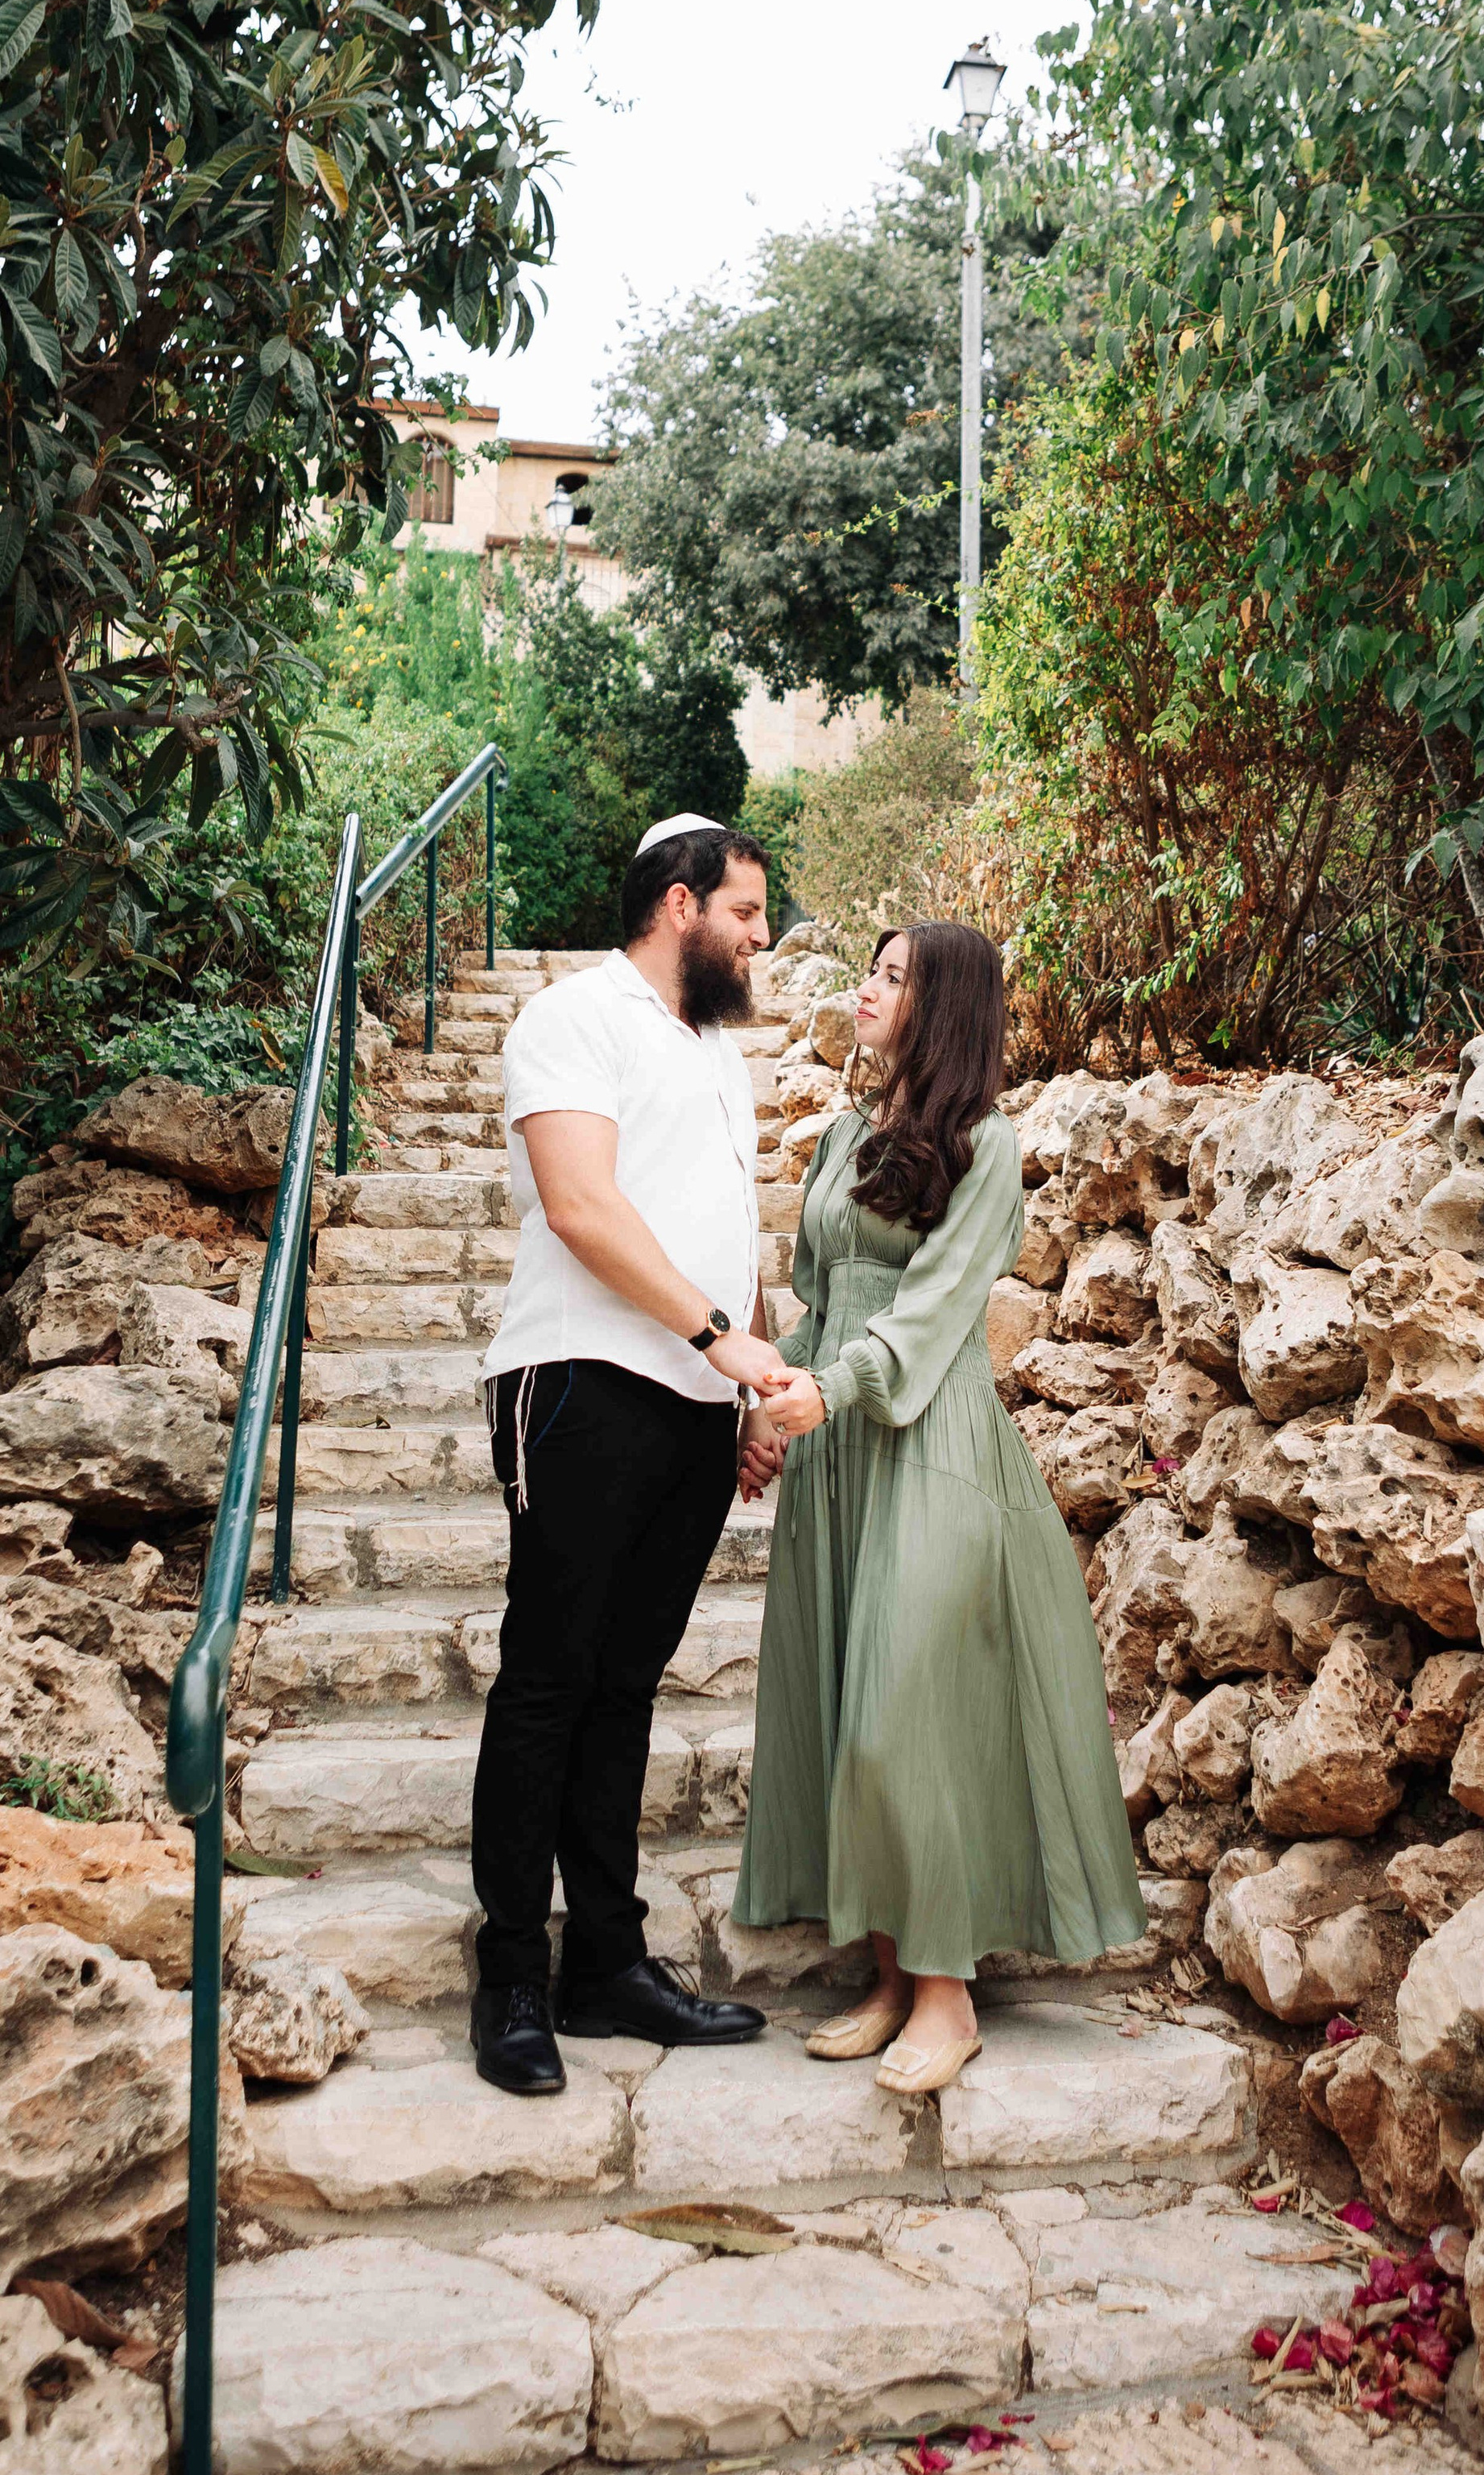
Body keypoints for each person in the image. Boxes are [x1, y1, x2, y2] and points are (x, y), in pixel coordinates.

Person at [732, 921, 1146, 2095]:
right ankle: (887, 1974)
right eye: (868, 969)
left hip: (930, 1442)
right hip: (837, 1450)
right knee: (841, 1708)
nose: (867, 990)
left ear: (945, 1005)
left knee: (905, 1717)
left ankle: (949, 1997)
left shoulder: (989, 1145)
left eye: (893, 976)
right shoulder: (847, 1138)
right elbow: (820, 1299)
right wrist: (771, 1407)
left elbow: (930, 1314)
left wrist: (833, 1385)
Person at [467, 813, 786, 2097]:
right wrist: (722, 1340)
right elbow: (580, 1205)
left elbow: (733, 1227)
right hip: (578, 1383)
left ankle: (606, 1961)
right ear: (677, 901)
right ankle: (509, 1978)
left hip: (698, 1404)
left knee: (630, 1683)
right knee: (549, 1677)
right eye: (747, 913)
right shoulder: (572, 1017)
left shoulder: (718, 1052)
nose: (762, 939)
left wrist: (749, 1387)